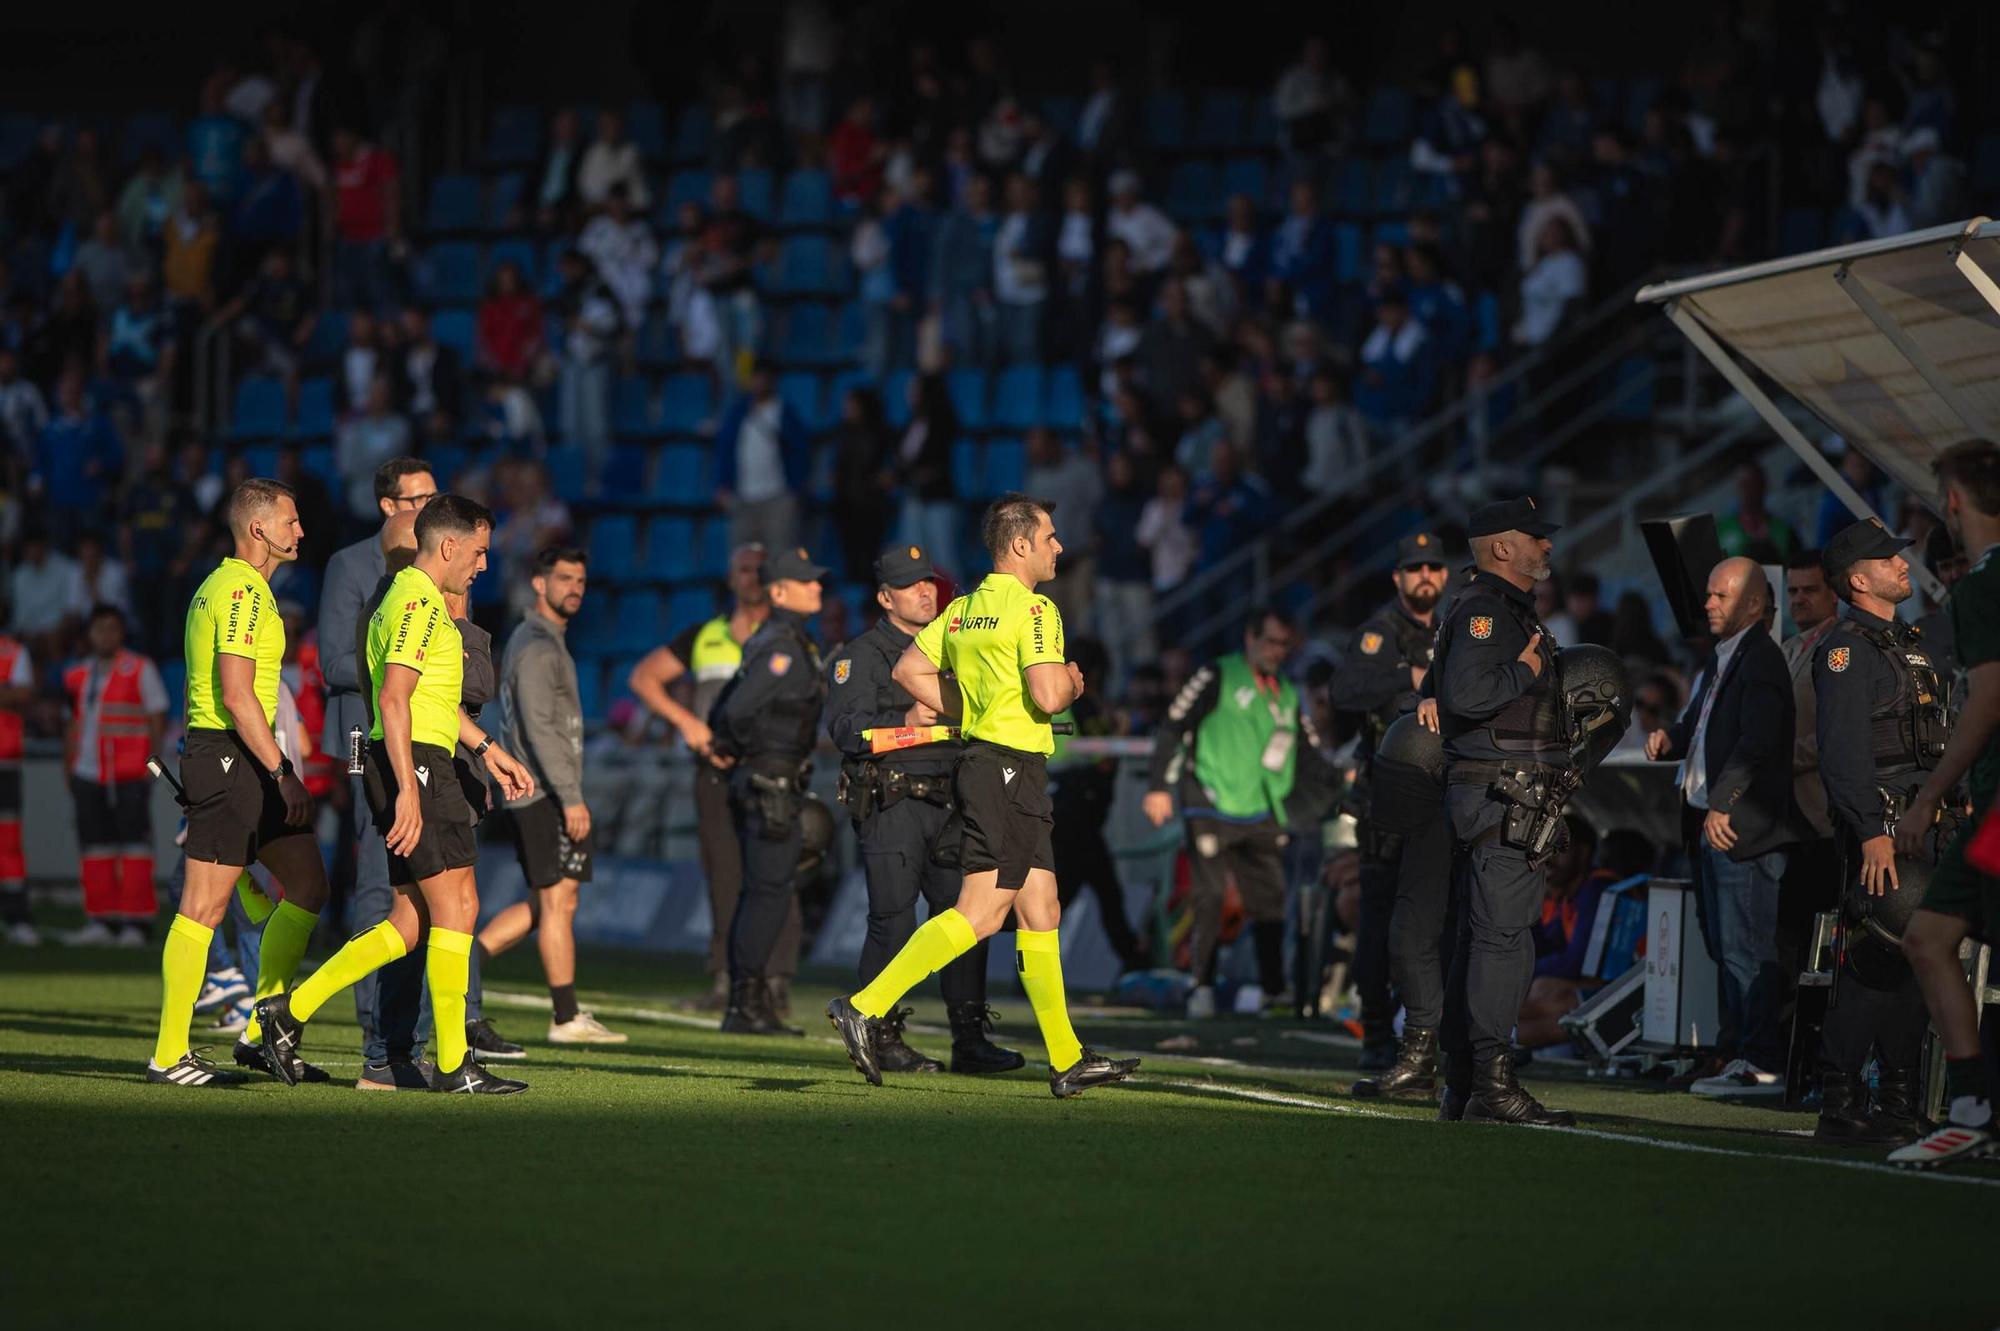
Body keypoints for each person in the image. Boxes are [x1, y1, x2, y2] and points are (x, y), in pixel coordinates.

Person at [827, 495, 1141, 1097]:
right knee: (982, 913)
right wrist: (1073, 683)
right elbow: (1048, 696)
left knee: (1041, 909)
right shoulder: (1036, 609)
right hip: (1009, 769)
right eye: (1049, 537)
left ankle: (1067, 1058)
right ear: (1020, 545)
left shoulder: (964, 610)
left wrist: (975, 708)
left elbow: (909, 672)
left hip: (993, 765)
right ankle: (865, 1008)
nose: (1059, 546)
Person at [256, 496, 535, 1094]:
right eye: (479, 552)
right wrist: (408, 788)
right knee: (458, 908)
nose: (483, 565)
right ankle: (455, 1064)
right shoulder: (414, 600)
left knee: (409, 923)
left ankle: (287, 1012)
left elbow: (433, 701)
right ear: (449, 546)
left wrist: (489, 749)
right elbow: (393, 698)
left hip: (423, 759)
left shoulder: (422, 599)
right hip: (417, 765)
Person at [145, 479, 334, 1087]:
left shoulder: (237, 588)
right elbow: (235, 695)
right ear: (259, 529)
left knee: (308, 884)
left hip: (240, 755)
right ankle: (169, 1055)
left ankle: (260, 1031)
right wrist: (283, 771)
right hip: (231, 755)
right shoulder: (242, 592)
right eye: (290, 521)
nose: (300, 531)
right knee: (203, 906)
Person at [824, 543, 1022, 1073]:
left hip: (952, 799)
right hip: (893, 801)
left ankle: (969, 1037)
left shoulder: (953, 644)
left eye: (928, 582)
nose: (924, 592)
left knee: (967, 917)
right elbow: (848, 733)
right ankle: (880, 1034)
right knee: (892, 918)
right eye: (910, 585)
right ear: (885, 598)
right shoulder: (860, 656)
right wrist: (908, 720)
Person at [1805, 519, 1949, 1146]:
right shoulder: (1847, 649)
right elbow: (1842, 753)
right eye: (1888, 559)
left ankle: (1898, 1100)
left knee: (1915, 964)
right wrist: (1870, 830)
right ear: (1858, 580)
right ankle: (1840, 1099)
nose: (1901, 564)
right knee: (1871, 961)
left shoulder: (1905, 643)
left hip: (1924, 828)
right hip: (1884, 829)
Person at [1432, 496, 1575, 1125]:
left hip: (1497, 791)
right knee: (1502, 940)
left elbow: (1434, 691)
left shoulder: (1493, 607)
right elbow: (1466, 695)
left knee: (1483, 937)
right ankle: (1492, 1085)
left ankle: (1465, 1083)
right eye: (1534, 536)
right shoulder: (1486, 612)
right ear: (1500, 548)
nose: (1546, 545)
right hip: (1499, 793)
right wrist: (1525, 669)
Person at [1643, 557, 1801, 1096]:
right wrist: (1671, 738)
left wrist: (1724, 802)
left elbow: (1757, 742)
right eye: (1709, 594)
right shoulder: (1724, 657)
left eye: (1720, 596)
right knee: (1723, 946)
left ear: (1753, 604)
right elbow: (1701, 725)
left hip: (1742, 833)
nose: (1708, 603)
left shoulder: (1761, 660)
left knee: (1747, 948)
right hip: (1712, 828)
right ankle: (1733, 1054)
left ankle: (1761, 1062)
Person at [628, 545, 800, 1012]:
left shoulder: (787, 634)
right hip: (715, 769)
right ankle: (727, 980)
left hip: (770, 767)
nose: (752, 577)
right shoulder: (705, 635)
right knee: (723, 873)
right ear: (730, 578)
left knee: (774, 872)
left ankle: (775, 981)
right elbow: (644, 678)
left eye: (760, 570)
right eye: (743, 569)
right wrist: (686, 723)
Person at [317, 458, 442, 1090]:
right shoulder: (351, 564)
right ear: (388, 506)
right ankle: (376, 1027)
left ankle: (453, 1021)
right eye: (417, 498)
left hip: (426, 736)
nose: (429, 506)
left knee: (434, 885)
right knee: (379, 877)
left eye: (433, 495)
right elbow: (333, 661)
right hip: (364, 736)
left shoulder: (441, 561)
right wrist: (397, 662)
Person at [1891, 443, 2000, 1168]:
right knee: (1932, 937)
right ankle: (1972, 1108)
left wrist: (1928, 797)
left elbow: (1989, 699)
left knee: (1928, 938)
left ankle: (1972, 1109)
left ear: (1953, 502)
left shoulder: (1983, 587)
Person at [1142, 606, 1326, 1016]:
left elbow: (1308, 752)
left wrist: (1341, 783)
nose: (1277, 651)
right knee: (1209, 894)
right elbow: (1174, 724)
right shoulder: (1217, 674)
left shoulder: (1287, 693)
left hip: (1260, 808)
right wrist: (1158, 786)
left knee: (1270, 901)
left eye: (1284, 645)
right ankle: (1202, 985)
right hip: (1208, 800)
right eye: (1270, 642)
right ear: (1250, 638)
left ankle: (1273, 990)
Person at [481, 547, 624, 1045]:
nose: (575, 588)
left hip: (543, 789)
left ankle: (462, 971)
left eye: (580, 580)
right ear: (539, 584)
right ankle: (565, 1016)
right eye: (564, 579)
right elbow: (541, 729)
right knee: (558, 901)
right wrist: (569, 796)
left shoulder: (543, 640)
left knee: (547, 902)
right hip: (543, 791)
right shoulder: (538, 646)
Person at [1330, 532, 1448, 1066]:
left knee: (1437, 916)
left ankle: (1428, 1030)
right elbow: (1345, 691)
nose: (1425, 576)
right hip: (1385, 796)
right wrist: (1409, 677)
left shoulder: (1452, 626)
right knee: (1380, 917)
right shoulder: (1381, 631)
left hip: (1438, 795)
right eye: (1415, 568)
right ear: (1398, 577)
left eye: (1433, 567)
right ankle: (1376, 1030)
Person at [707, 546, 830, 1035]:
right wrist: (750, 752)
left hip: (769, 777)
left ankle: (749, 1001)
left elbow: (726, 707)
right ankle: (746, 1004)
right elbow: (736, 711)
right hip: (770, 780)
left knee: (765, 891)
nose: (817, 587)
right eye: (806, 581)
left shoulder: (784, 639)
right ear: (778, 592)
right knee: (768, 894)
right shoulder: (782, 647)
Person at [62, 605, 167, 946]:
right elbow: (72, 724)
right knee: (95, 849)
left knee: (135, 848)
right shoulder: (78, 673)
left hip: (129, 772)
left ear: (121, 633)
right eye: (99, 629)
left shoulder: (140, 668)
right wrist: (70, 768)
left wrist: (152, 769)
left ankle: (136, 923)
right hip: (88, 772)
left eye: (111, 628)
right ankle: (101, 919)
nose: (105, 635)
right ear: (90, 634)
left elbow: (156, 719)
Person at [715, 366, 809, 553]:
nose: (758, 383)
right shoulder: (739, 413)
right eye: (755, 378)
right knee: (743, 556)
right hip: (743, 496)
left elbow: (798, 451)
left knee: (779, 554)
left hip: (778, 495)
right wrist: (723, 483)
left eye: (763, 378)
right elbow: (726, 449)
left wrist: (796, 486)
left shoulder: (785, 412)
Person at [0, 620, 32, 945]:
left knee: (7, 842)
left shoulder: (13, 652)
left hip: (4, 761)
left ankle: (17, 917)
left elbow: (22, 693)